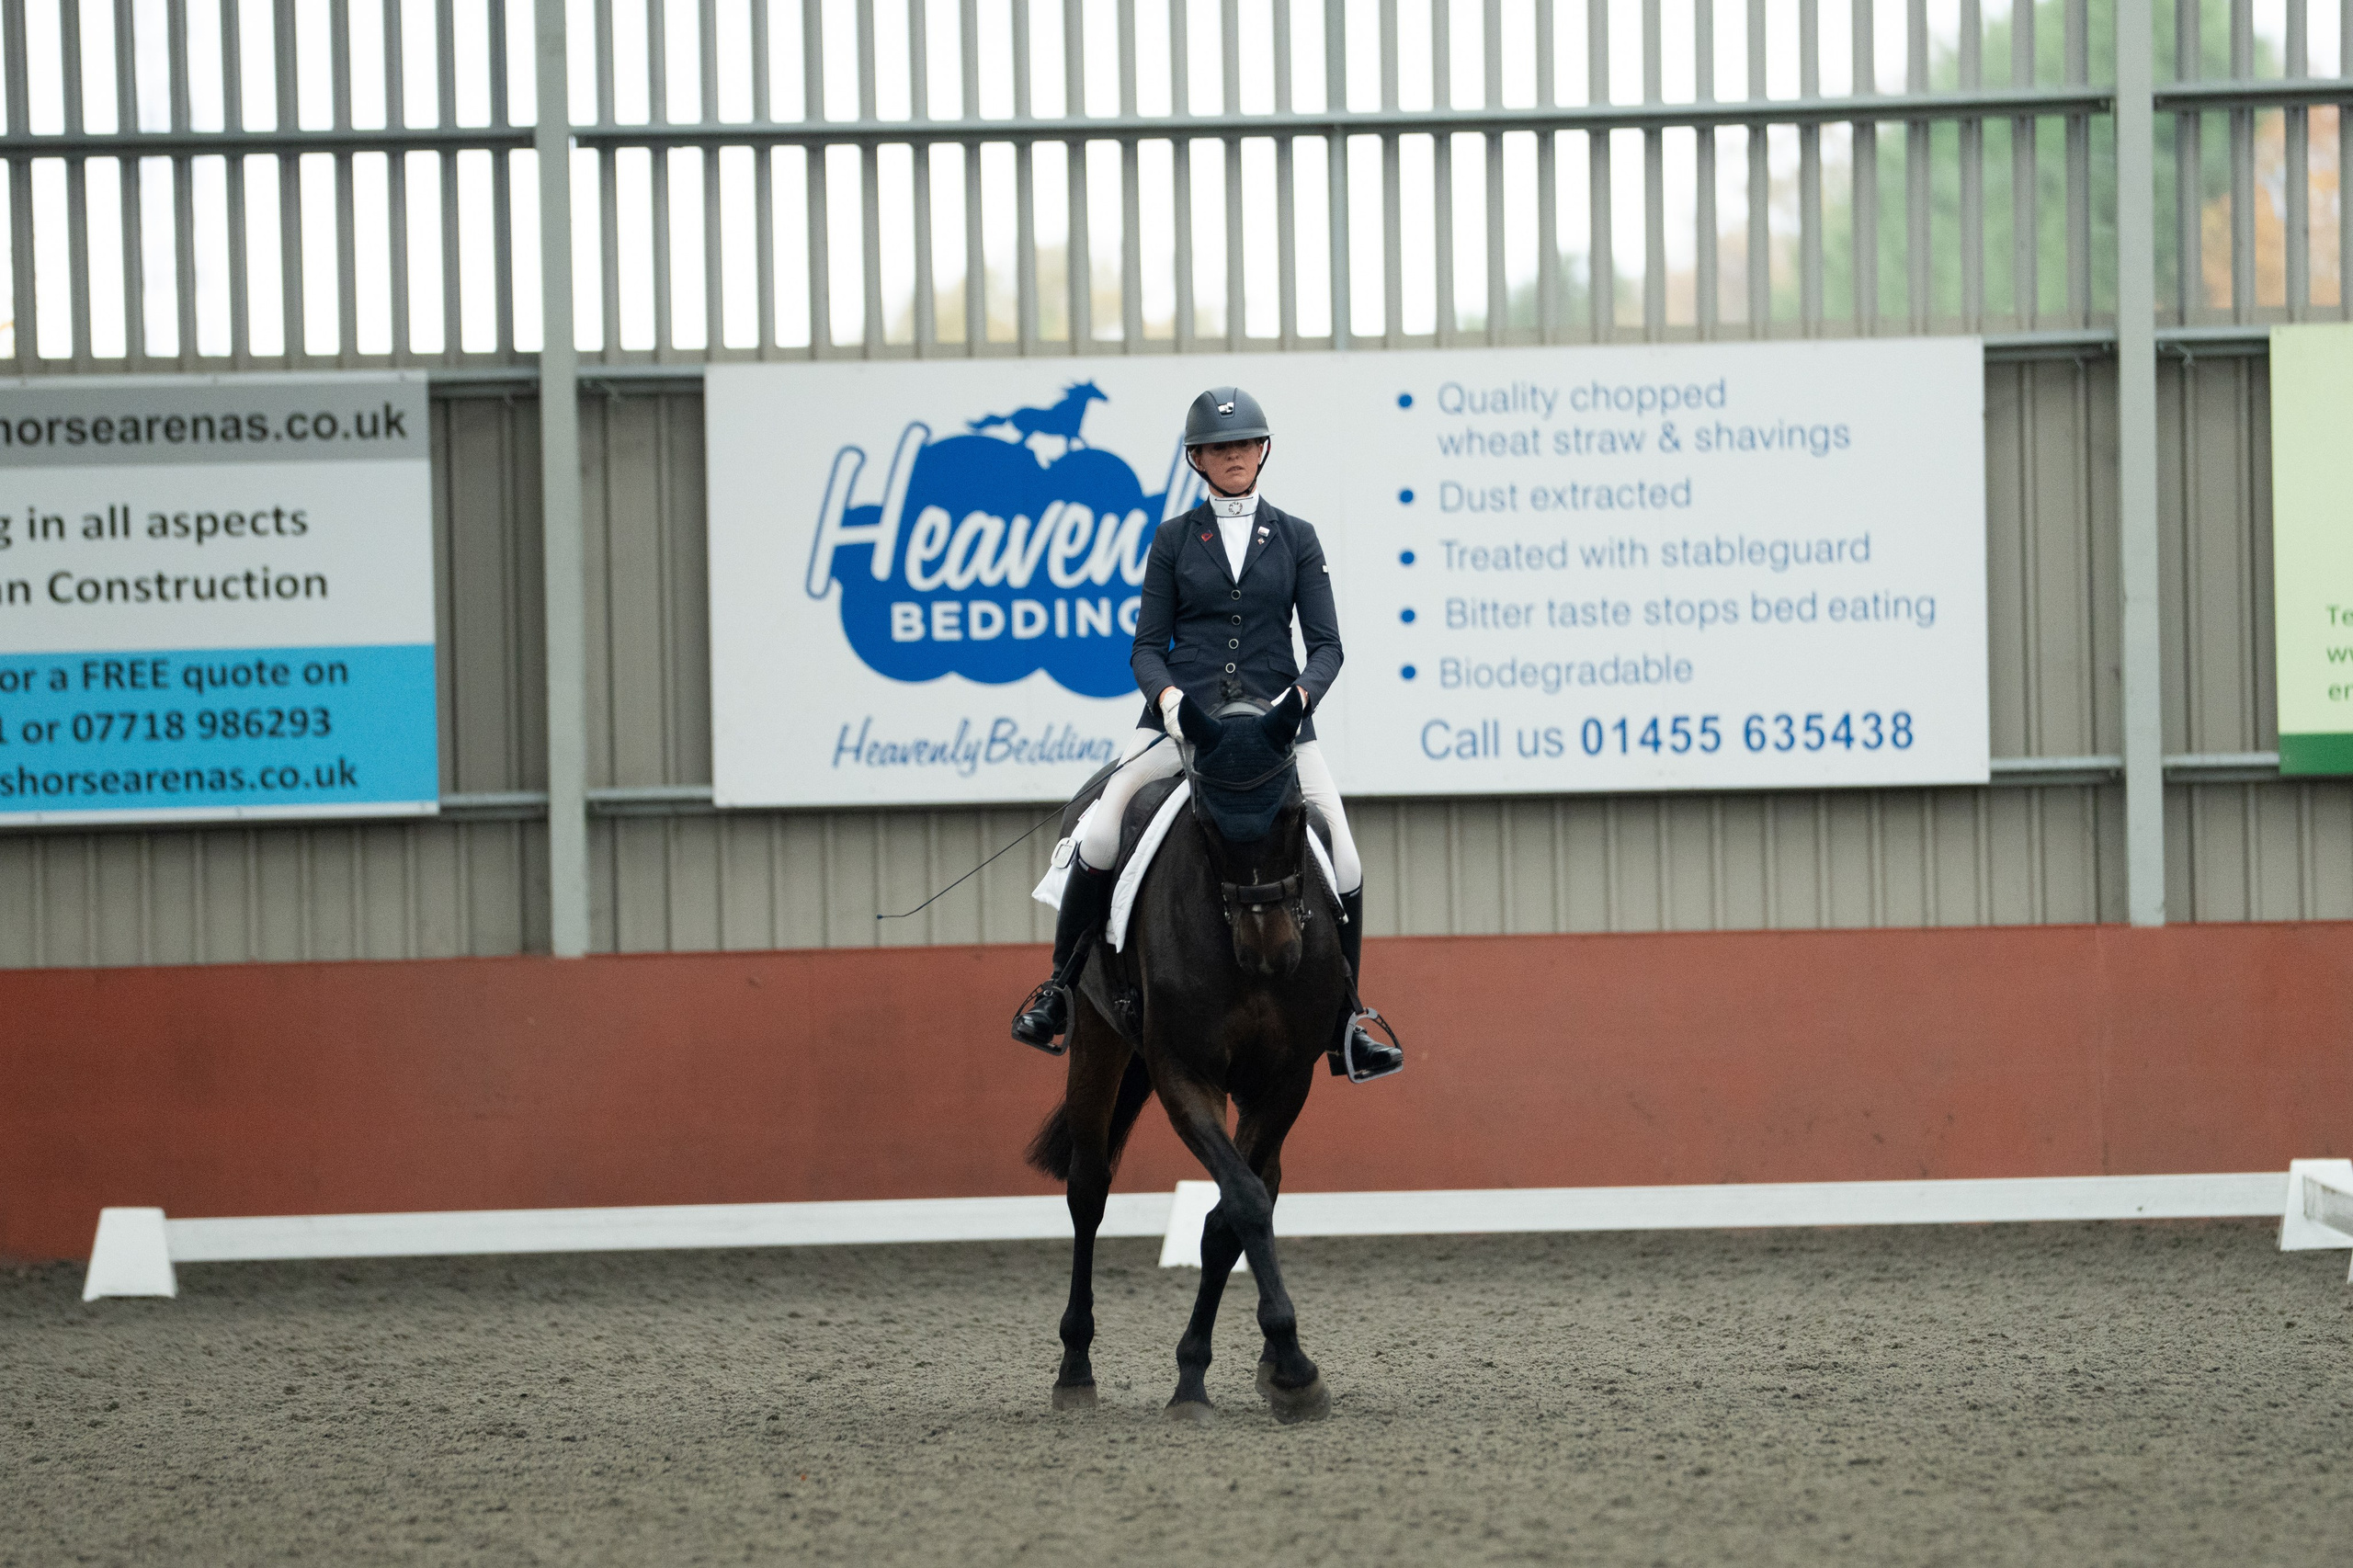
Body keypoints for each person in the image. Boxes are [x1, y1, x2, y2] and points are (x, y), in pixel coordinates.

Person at [1011, 386, 1404, 1080]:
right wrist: (1167, 700)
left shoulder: (1295, 537)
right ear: (1197, 458)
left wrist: (1296, 701)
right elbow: (1144, 647)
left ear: (1264, 452)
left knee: (1344, 857)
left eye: (1246, 445)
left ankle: (1347, 1019)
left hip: (1277, 728)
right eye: (1221, 448)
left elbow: (1328, 646)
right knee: (1101, 831)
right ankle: (1059, 991)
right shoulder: (1171, 540)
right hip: (1181, 723)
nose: (1235, 456)